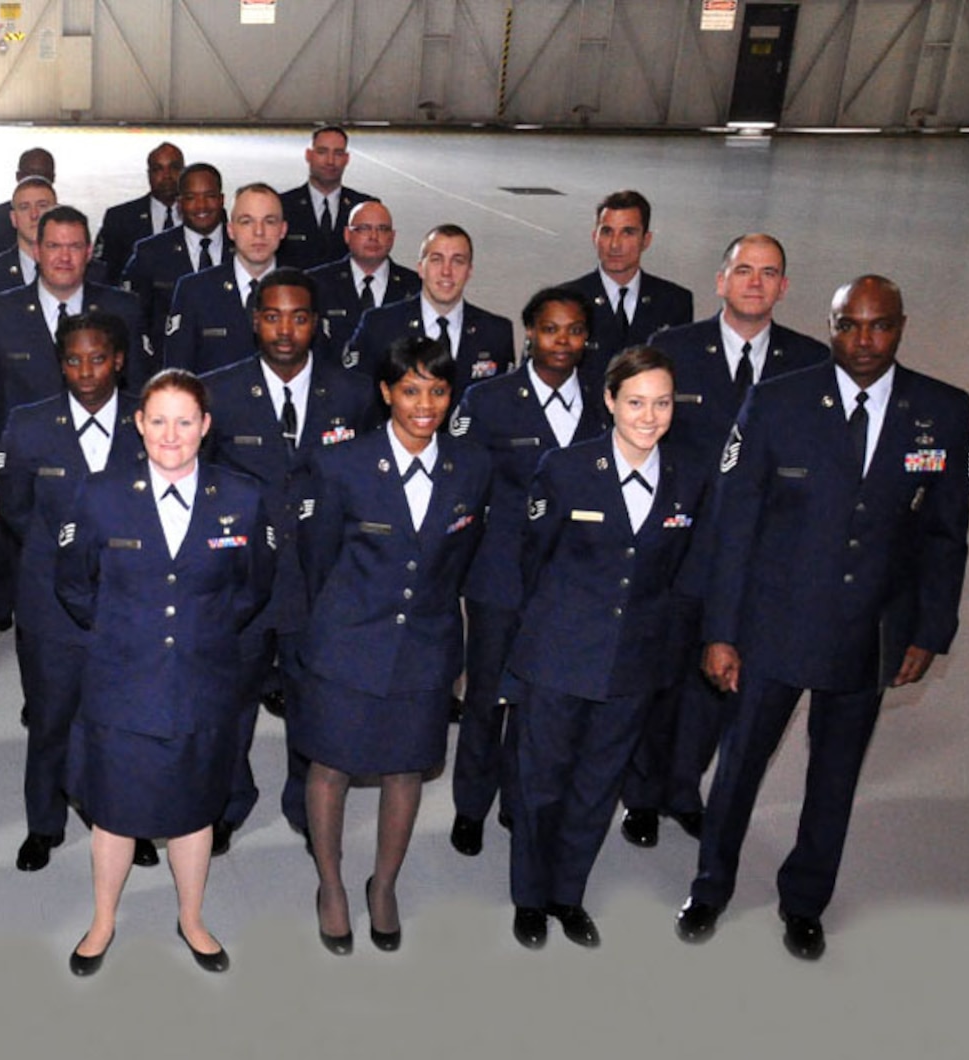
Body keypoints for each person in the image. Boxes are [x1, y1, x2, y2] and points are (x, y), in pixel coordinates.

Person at [677, 275, 969, 961]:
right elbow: (733, 524)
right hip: (772, 629)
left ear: (901, 326)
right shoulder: (779, 402)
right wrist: (721, 629)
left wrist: (930, 630)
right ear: (831, 325)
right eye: (848, 325)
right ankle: (711, 886)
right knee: (739, 766)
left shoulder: (943, 410)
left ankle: (804, 900)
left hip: (868, 634)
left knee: (835, 778)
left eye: (879, 326)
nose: (863, 341)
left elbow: (946, 533)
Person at [55, 370, 276, 977]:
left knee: (194, 808)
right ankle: (103, 920)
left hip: (203, 681)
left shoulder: (243, 497)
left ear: (205, 426)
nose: (171, 435)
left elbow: (253, 585)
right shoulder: (101, 495)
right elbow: (73, 582)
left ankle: (192, 916)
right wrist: (128, 632)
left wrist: (199, 634)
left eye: (185, 421)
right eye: (158, 420)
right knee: (114, 812)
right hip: (122, 681)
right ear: (139, 424)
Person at [293, 337, 491, 953]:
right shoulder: (341, 465)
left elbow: (461, 558)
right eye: (410, 389)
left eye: (437, 390)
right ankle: (331, 886)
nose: (424, 404)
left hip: (426, 647)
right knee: (330, 768)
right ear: (385, 394)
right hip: (346, 644)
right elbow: (317, 559)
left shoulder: (472, 466)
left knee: (406, 769)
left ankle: (384, 884)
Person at [630, 233, 828, 847]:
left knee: (721, 679)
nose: (755, 282)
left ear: (783, 288)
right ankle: (640, 793)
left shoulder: (810, 362)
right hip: (680, 546)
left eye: (769, 273)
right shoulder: (674, 348)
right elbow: (642, 436)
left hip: (758, 559)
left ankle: (685, 788)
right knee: (659, 675)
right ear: (720, 281)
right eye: (743, 270)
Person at [505, 346, 704, 948]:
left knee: (598, 784)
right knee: (541, 783)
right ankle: (530, 898)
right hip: (560, 656)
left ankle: (568, 894)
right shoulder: (565, 469)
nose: (649, 416)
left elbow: (686, 572)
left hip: (635, 663)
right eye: (636, 402)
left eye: (662, 402)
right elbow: (533, 558)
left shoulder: (691, 477)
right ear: (610, 401)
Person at [201, 268, 379, 847]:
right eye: (272, 316)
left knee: (313, 701)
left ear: (316, 324)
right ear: (254, 320)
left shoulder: (351, 392)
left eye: (299, 317)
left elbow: (368, 485)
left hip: (322, 584)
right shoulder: (219, 392)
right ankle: (227, 800)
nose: (285, 330)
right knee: (230, 704)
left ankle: (307, 801)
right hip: (243, 584)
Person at [446, 287, 606, 858]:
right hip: (500, 574)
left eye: (574, 330)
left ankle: (519, 799)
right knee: (488, 694)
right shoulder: (488, 400)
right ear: (529, 333)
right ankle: (471, 806)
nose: (562, 341)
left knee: (541, 702)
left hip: (573, 581)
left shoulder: (603, 401)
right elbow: (460, 477)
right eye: (550, 329)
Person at [0, 311, 154, 872]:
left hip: (132, 603)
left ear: (119, 360)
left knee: (125, 722)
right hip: (49, 604)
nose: (86, 371)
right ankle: (44, 824)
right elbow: (15, 509)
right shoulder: (29, 424)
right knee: (51, 718)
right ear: (60, 363)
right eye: (73, 359)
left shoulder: (149, 418)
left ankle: (128, 821)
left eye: (98, 358)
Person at [0, 205, 148, 645]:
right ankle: (28, 643)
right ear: (35, 248)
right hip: (28, 469)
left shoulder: (123, 307)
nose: (63, 257)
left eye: (74, 247)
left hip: (107, 462)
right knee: (29, 561)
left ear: (89, 252)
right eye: (53, 246)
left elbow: (141, 391)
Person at [345, 224, 515, 402]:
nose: (446, 271)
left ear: (469, 271)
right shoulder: (380, 325)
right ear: (420, 268)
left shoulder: (496, 333)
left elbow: (503, 404)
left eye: (458, 261)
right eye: (436, 260)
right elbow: (358, 397)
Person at [558, 190, 694, 391]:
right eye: (607, 232)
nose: (615, 244)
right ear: (594, 237)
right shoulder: (565, 301)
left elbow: (681, 375)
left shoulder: (674, 302)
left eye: (628, 232)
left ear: (646, 240)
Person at [161, 182, 289, 373]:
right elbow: (178, 374)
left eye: (269, 221)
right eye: (247, 221)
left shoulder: (303, 290)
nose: (259, 232)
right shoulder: (194, 291)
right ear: (230, 230)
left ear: (283, 230)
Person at [122, 163, 229, 372]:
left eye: (209, 196)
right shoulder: (151, 252)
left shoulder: (242, 248)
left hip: (231, 373)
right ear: (179, 204)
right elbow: (134, 319)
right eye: (191, 198)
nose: (201, 206)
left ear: (222, 199)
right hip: (169, 373)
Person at [307, 200, 417, 349]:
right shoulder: (315, 283)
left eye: (382, 229)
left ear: (392, 237)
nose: (373, 236)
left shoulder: (416, 286)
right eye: (364, 228)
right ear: (347, 234)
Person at [278, 124, 378, 270]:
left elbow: (377, 258)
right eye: (322, 152)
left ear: (346, 159)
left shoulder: (365, 207)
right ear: (308, 155)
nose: (330, 161)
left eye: (338, 153)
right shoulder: (282, 206)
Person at [92, 140, 183, 289]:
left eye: (174, 168)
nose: (167, 176)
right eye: (158, 169)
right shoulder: (119, 218)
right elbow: (103, 273)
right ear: (149, 175)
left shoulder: (203, 217)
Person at [0, 175, 56, 307]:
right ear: (13, 218)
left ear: (57, 212)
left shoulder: (87, 272)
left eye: (42, 206)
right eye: (25, 207)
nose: (34, 215)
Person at [0, 146, 57, 259]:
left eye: (43, 175)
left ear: (53, 178)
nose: (35, 180)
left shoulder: (69, 221)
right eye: (30, 174)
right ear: (18, 176)